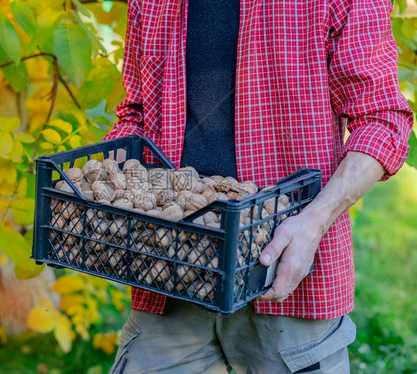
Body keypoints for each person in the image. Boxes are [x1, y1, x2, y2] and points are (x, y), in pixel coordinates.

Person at [103, 0, 413, 372]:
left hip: (286, 269)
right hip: (170, 266)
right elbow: (137, 112)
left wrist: (313, 223)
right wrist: (105, 183)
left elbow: (381, 120)